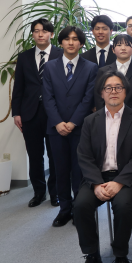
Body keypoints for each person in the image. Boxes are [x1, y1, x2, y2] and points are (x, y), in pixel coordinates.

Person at [73, 70, 132, 263]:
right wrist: (96, 184)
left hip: (126, 178)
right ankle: (92, 256)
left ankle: (121, 256)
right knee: (80, 205)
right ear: (102, 93)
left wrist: (120, 182)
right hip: (96, 178)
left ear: (125, 92)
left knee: (123, 206)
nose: (113, 91)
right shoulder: (90, 121)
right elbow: (84, 156)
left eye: (118, 87)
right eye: (108, 88)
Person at [42, 26, 98, 227]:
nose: (71, 42)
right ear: (61, 42)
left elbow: (88, 99)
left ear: (81, 43)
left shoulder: (91, 67)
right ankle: (64, 209)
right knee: (60, 170)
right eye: (67, 39)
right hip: (55, 129)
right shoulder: (50, 67)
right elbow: (47, 97)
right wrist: (58, 122)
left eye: (75, 39)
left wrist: (73, 122)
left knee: (79, 170)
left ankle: (79, 209)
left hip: (80, 128)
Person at [12, 18, 62, 208]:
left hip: (54, 113)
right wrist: (16, 112)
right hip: (30, 113)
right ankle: (39, 192)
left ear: (51, 34)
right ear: (32, 34)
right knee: (35, 156)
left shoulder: (60, 54)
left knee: (55, 155)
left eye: (44, 31)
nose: (40, 34)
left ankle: (55, 193)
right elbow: (18, 87)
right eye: (36, 31)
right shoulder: (24, 57)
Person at [94, 34, 132, 116]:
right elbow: (99, 97)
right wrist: (105, 116)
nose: (123, 48)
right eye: (119, 45)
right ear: (113, 50)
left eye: (127, 45)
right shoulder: (103, 71)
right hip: (108, 116)